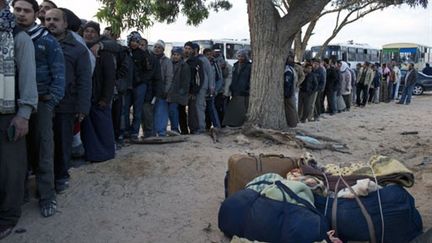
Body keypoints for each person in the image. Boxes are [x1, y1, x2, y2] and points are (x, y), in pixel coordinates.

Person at [13, 0, 65, 217]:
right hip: (13, 105)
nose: (21, 14)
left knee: (44, 150)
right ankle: (20, 193)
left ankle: (47, 196)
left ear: (36, 14)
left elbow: (59, 76)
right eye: (17, 10)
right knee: (17, 153)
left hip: (42, 104)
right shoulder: (9, 36)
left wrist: (50, 102)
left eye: (26, 11)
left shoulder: (47, 41)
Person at [0, 0, 38, 238]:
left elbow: (27, 78)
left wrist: (23, 114)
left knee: (10, 169)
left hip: (8, 114)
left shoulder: (18, 37)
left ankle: (7, 216)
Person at [45, 8, 92, 193]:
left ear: (65, 24)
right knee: (43, 144)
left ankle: (61, 176)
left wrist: (82, 107)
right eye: (48, 19)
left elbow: (84, 79)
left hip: (66, 104)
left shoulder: (78, 49)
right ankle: (45, 179)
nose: (51, 23)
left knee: (63, 142)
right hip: (41, 103)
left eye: (55, 19)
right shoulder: (38, 43)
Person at [81, 21, 116, 162]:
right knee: (89, 130)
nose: (89, 34)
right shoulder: (81, 48)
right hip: (86, 97)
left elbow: (109, 78)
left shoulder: (104, 52)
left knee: (103, 128)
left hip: (99, 97)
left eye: (92, 32)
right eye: (86, 31)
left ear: (97, 34)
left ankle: (106, 154)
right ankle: (92, 154)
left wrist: (105, 98)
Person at [223, 50, 252, 127]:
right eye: (238, 56)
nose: (240, 58)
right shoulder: (235, 66)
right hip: (235, 90)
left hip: (244, 91)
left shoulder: (249, 66)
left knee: (243, 108)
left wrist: (247, 88)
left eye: (242, 56)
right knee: (235, 109)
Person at [152, 40, 174, 136]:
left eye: (159, 47)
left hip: (162, 90)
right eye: (155, 47)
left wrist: (166, 90)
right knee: (151, 111)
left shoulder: (167, 61)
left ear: (163, 49)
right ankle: (152, 132)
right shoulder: (150, 58)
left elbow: (169, 77)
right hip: (151, 89)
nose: (157, 49)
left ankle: (161, 132)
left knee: (161, 111)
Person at [167, 47, 191, 133]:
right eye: (174, 54)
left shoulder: (184, 66)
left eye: (177, 55)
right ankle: (176, 129)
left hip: (179, 94)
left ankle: (178, 129)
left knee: (178, 112)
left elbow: (186, 81)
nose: (175, 56)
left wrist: (181, 91)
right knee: (173, 112)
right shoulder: (170, 64)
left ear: (181, 56)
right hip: (171, 93)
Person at [203, 48, 222, 129]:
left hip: (212, 90)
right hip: (203, 90)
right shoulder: (202, 63)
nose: (209, 56)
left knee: (212, 108)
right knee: (203, 110)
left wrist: (216, 89)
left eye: (210, 54)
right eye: (207, 55)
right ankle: (205, 127)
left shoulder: (215, 64)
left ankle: (217, 126)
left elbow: (219, 77)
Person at [283, 52, 299, 127]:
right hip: (292, 91)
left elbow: (287, 83)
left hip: (289, 93)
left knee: (291, 108)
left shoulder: (288, 70)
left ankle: (292, 124)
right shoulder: (292, 68)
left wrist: (286, 93)